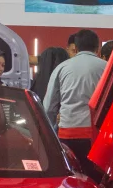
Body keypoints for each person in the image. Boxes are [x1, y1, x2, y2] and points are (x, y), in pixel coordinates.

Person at [43, 30, 106, 166]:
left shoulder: (61, 68)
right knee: (95, 173)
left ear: (76, 48)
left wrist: (51, 131)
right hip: (95, 135)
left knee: (70, 173)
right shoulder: (106, 68)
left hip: (67, 132)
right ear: (98, 48)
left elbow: (48, 107)